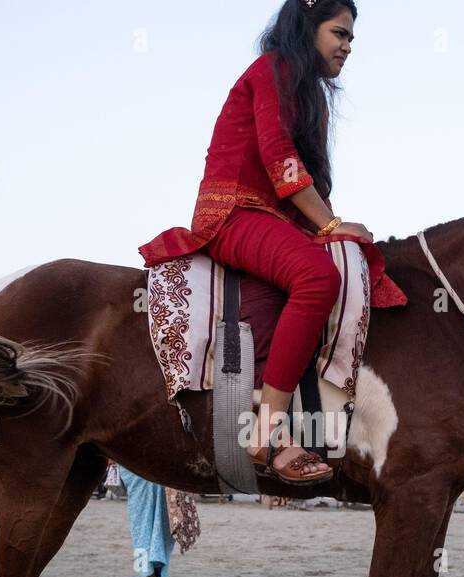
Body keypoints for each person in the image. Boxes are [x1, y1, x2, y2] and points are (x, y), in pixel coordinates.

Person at [138, 0, 405, 486]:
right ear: (308, 27)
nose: (347, 46)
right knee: (317, 276)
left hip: (274, 216)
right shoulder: (274, 69)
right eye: (339, 33)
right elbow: (279, 157)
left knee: (358, 267)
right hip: (235, 212)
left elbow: (310, 182)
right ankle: (269, 429)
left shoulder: (312, 96)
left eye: (351, 39)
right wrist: (329, 225)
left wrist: (333, 225)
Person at [119, 466, 201, 577]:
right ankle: (155, 572)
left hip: (144, 468)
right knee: (157, 522)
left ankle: (147, 575)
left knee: (141, 527)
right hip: (157, 471)